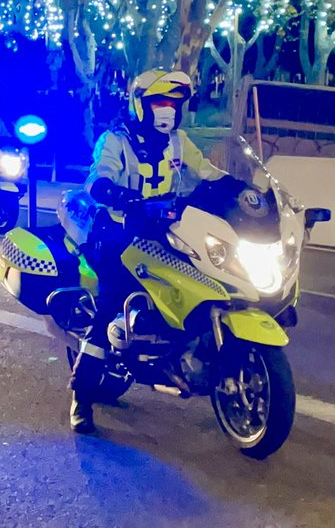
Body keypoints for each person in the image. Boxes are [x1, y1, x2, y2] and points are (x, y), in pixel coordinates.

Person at [67, 69, 226, 434]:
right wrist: (117, 194)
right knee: (109, 306)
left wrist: (241, 189)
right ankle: (81, 395)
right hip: (118, 234)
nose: (167, 110)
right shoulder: (115, 140)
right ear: (141, 105)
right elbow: (98, 177)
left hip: (163, 232)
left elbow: (207, 172)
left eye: (173, 103)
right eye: (159, 102)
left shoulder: (178, 142)